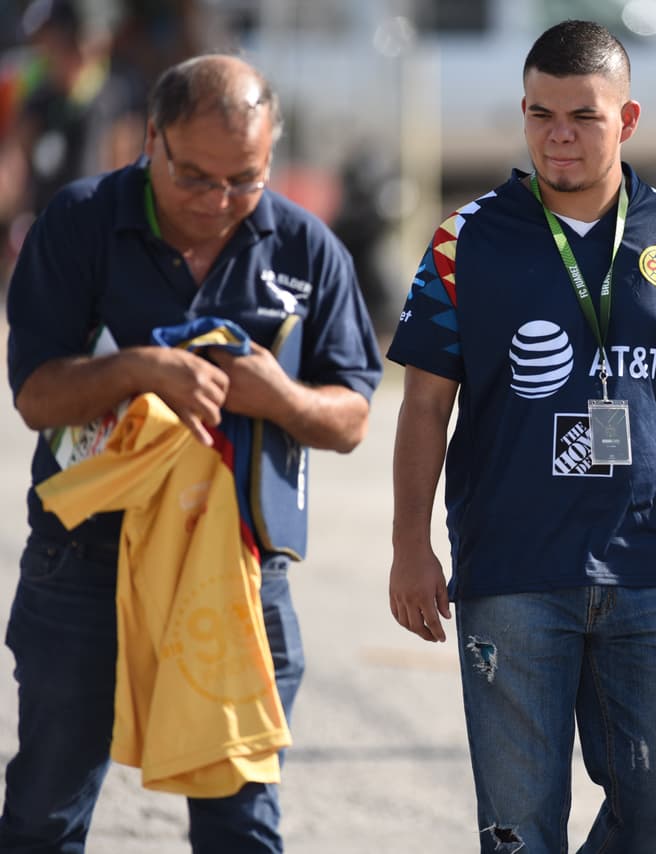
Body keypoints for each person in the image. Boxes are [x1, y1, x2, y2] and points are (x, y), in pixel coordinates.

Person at [386, 18, 656, 852]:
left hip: (651, 565)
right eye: (541, 114)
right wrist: (410, 546)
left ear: (626, 120)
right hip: (512, 569)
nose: (558, 135)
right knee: (519, 827)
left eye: (583, 116)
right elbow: (424, 406)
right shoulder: (464, 240)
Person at [2, 53, 382, 851]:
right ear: (152, 140)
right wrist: (139, 370)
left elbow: (351, 417)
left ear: (272, 153)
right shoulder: (80, 222)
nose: (218, 202)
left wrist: (278, 397)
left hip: (240, 577)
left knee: (241, 827)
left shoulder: (306, 247)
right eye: (195, 177)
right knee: (44, 816)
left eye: (244, 180)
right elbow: (35, 396)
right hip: (86, 564)